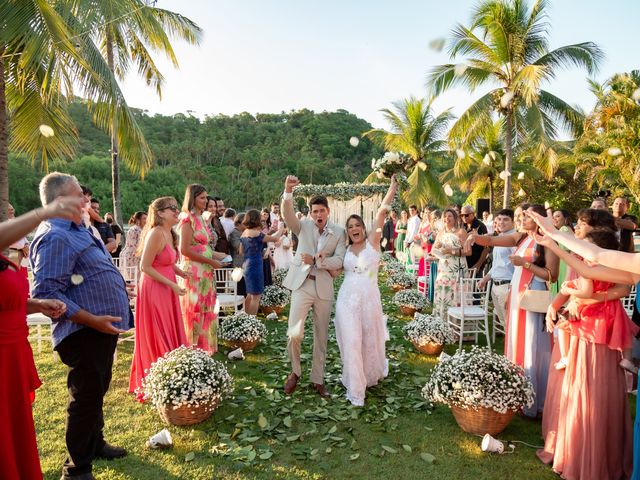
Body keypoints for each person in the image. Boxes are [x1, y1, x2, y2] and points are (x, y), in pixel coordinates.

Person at [30, 172, 131, 480]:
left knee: (97, 389)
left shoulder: (78, 228)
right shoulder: (55, 235)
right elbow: (46, 295)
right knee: (85, 397)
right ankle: (76, 470)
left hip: (100, 329)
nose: (87, 200)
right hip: (83, 332)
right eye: (80, 196)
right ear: (61, 201)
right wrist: (92, 319)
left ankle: (95, 444)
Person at [528, 211, 635, 480]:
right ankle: (581, 448)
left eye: (583, 226)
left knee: (593, 391)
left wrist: (582, 299)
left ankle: (593, 455)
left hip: (597, 330)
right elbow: (589, 267)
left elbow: (617, 286)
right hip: (586, 326)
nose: (578, 229)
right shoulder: (589, 256)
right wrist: (552, 238)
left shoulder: (614, 257)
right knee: (583, 390)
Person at [1, 195, 83, 480]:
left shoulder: (6, 257)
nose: (10, 217)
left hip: (14, 351)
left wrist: (37, 305)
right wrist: (43, 213)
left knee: (14, 429)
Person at [465, 204, 559, 417]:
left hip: (532, 296)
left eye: (526, 216)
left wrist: (525, 265)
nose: (522, 219)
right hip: (516, 293)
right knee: (516, 341)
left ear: (538, 219)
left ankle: (534, 400)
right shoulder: (521, 237)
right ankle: (516, 393)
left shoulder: (547, 241)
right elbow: (490, 240)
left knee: (532, 345)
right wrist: (474, 237)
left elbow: (552, 275)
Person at [333, 176, 398, 406]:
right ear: (348, 232)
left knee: (369, 341)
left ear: (363, 227)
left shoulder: (373, 241)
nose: (354, 229)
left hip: (369, 301)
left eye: (357, 225)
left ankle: (368, 376)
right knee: (351, 341)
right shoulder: (345, 249)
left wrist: (391, 189)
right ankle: (355, 389)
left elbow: (381, 211)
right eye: (350, 227)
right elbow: (334, 270)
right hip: (347, 302)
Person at [281, 175, 346, 398]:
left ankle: (318, 379)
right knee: (294, 333)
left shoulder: (339, 232)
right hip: (302, 285)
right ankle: (295, 371)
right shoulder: (303, 227)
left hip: (324, 288)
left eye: (322, 211)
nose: (318, 215)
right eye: (315, 211)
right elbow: (288, 216)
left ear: (328, 211)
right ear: (310, 213)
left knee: (321, 336)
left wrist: (319, 261)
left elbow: (340, 260)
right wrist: (288, 192)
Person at [129, 197, 189, 400]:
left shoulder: (169, 233)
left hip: (167, 285)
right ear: (160, 213)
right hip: (155, 288)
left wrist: (180, 273)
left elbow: (166, 261)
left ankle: (172, 371)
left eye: (176, 207)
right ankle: (160, 374)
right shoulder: (155, 233)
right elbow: (144, 267)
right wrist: (172, 284)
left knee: (169, 325)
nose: (175, 210)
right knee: (160, 328)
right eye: (171, 208)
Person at [178, 184, 226, 353]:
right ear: (193, 198)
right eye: (202, 198)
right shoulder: (187, 220)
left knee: (207, 308)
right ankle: (191, 349)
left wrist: (217, 257)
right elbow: (184, 249)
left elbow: (204, 247)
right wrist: (210, 261)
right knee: (195, 309)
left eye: (206, 197)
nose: (206, 201)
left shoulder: (202, 219)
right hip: (194, 272)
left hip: (206, 271)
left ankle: (205, 348)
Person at [477, 209, 516, 329]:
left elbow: (517, 266)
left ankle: (513, 348)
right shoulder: (501, 237)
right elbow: (497, 265)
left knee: (511, 325)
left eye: (505, 220)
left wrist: (511, 290)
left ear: (513, 222)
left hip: (507, 286)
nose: (501, 222)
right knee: (504, 324)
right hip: (495, 286)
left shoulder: (513, 239)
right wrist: (485, 278)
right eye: (499, 219)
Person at [240, 210, 283, 315]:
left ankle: (245, 319)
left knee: (250, 294)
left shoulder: (244, 233)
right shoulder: (257, 234)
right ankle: (252, 321)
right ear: (256, 219)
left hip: (246, 265)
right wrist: (281, 227)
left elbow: (241, 251)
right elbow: (275, 238)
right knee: (256, 296)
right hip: (255, 266)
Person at [431, 208, 468, 318]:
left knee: (456, 295)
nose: (447, 218)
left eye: (450, 216)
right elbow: (435, 249)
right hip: (443, 269)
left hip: (457, 268)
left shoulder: (461, 232)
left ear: (455, 218)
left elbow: (468, 252)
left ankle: (456, 325)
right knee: (443, 294)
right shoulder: (440, 233)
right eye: (445, 216)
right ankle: (442, 322)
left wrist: (450, 251)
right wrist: (434, 253)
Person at [549, 209, 574, 297]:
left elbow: (565, 249)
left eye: (558, 216)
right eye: (553, 217)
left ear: (565, 218)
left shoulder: (564, 229)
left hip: (563, 266)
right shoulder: (568, 229)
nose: (555, 219)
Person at [460, 205, 489, 275]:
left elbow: (486, 248)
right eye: (461, 215)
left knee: (476, 285)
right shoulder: (463, 225)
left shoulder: (481, 226)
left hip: (476, 265)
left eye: (466, 215)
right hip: (465, 264)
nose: (463, 217)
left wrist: (478, 265)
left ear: (473, 214)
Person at [120, 211, 147, 281]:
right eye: (144, 218)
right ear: (138, 220)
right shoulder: (135, 229)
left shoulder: (140, 229)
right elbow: (136, 246)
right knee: (133, 281)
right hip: (132, 257)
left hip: (134, 256)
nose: (146, 220)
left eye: (147, 218)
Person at [228, 212, 247, 297]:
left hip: (244, 265)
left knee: (245, 290)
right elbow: (238, 247)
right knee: (240, 291)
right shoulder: (234, 233)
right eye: (246, 222)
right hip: (238, 266)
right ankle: (239, 309)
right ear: (239, 222)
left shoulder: (244, 233)